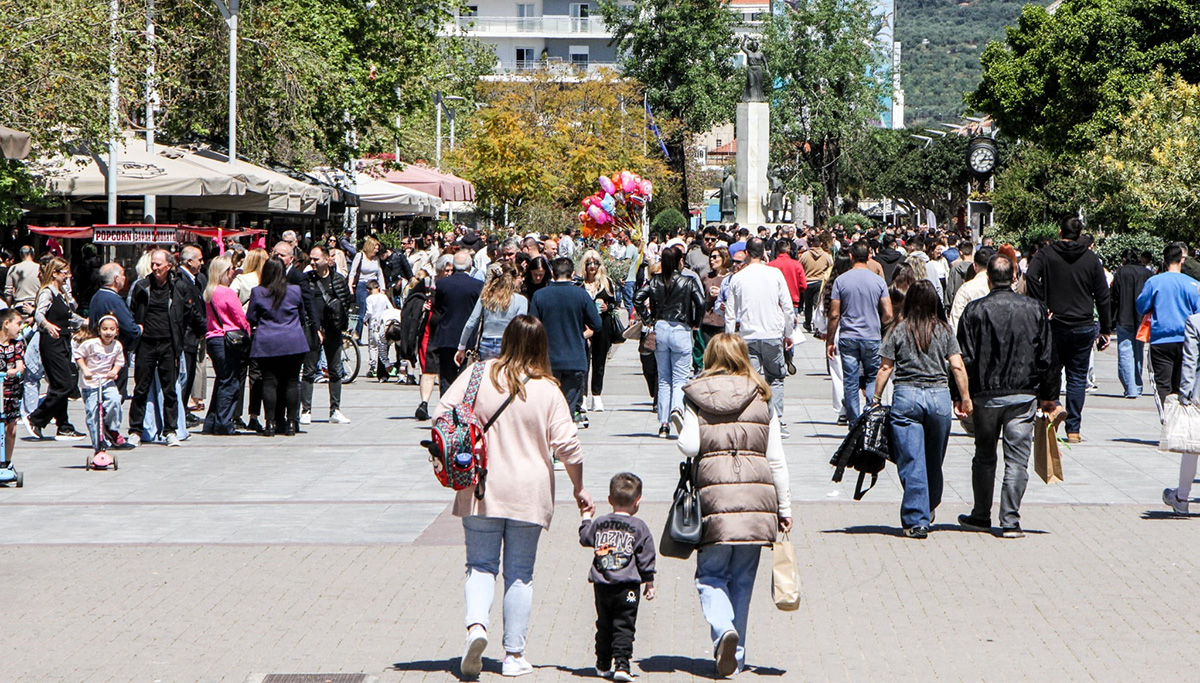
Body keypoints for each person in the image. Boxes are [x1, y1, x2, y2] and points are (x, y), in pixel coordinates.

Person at [441, 316, 594, 679]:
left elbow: (443, 413)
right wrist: (579, 487)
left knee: (480, 565)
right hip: (530, 491)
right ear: (542, 346)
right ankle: (513, 656)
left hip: (481, 486)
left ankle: (476, 629)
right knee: (520, 575)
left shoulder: (479, 375)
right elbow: (569, 447)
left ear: (507, 340)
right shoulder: (548, 389)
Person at [676, 333, 791, 677]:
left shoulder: (695, 396)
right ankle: (736, 659)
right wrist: (784, 508)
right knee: (742, 580)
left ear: (710, 357)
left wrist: (681, 422)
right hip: (757, 499)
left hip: (715, 497)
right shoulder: (763, 396)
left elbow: (690, 446)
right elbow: (777, 459)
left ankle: (723, 628)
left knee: (710, 575)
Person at [956, 255, 1053, 537]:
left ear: (988, 279)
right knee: (1017, 459)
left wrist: (961, 395)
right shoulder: (1034, 309)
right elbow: (1047, 356)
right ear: (1014, 277)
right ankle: (1010, 520)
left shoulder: (974, 311)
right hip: (1022, 394)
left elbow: (965, 358)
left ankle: (980, 514)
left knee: (984, 455)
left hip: (986, 394)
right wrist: (1048, 395)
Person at [873, 280, 973, 538]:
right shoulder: (944, 330)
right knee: (933, 459)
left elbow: (885, 367)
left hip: (906, 397)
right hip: (938, 398)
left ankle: (917, 519)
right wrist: (965, 397)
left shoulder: (898, 329)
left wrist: (875, 397)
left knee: (911, 459)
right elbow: (958, 366)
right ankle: (927, 507)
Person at [1024, 217, 1112, 443]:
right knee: (1077, 377)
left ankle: (1052, 409)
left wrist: (1042, 305)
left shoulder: (1046, 254)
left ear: (1060, 230)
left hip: (1055, 322)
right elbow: (1102, 295)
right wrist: (1106, 329)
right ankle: (1073, 429)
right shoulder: (1091, 259)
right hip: (1083, 323)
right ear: (1080, 233)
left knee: (1050, 370)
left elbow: (1031, 276)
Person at [578, 472, 656, 682]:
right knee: (624, 623)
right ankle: (622, 664)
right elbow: (646, 557)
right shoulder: (640, 527)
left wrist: (586, 516)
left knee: (604, 622)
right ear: (637, 502)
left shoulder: (600, 523)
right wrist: (649, 582)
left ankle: (602, 663)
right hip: (628, 587)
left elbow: (585, 538)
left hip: (602, 585)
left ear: (610, 500)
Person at [128, 249, 200, 447]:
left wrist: (190, 332)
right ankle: (135, 430)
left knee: (170, 390)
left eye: (159, 264)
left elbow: (188, 313)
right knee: (141, 388)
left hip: (169, 344)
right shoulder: (142, 286)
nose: (154, 268)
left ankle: (170, 430)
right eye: (153, 264)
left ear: (169, 266)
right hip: (147, 344)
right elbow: (132, 311)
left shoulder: (179, 287)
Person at [726, 239, 795, 437]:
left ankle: (753, 419)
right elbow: (788, 308)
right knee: (776, 378)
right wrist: (788, 333)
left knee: (751, 380)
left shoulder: (738, 278)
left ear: (747, 253)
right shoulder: (774, 274)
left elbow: (731, 313)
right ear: (764, 251)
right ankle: (776, 419)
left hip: (748, 335)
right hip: (772, 333)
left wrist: (730, 338)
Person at [633, 246, 705, 438]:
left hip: (661, 327)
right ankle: (677, 410)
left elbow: (638, 298)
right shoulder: (688, 281)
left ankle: (663, 424)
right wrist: (696, 323)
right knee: (680, 376)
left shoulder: (655, 281)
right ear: (680, 262)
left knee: (663, 378)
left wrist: (648, 319)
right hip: (681, 328)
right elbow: (701, 302)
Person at [529, 257, 602, 428]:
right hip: (574, 358)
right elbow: (597, 324)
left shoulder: (540, 295)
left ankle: (549, 445)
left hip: (547, 360)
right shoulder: (581, 295)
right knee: (567, 407)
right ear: (573, 274)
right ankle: (563, 445)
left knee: (549, 407)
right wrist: (580, 333)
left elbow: (532, 326)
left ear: (552, 273)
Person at [826, 241, 893, 425]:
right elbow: (888, 313)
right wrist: (881, 327)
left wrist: (829, 341)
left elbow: (834, 314)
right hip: (872, 336)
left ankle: (854, 422)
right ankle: (871, 416)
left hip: (848, 336)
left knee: (850, 380)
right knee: (872, 377)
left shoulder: (841, 280)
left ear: (851, 256)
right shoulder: (878, 281)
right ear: (869, 256)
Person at [246, 257, 310, 437]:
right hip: (293, 341)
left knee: (269, 382)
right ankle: (291, 423)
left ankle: (270, 424)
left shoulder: (258, 292)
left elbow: (251, 317)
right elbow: (302, 315)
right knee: (291, 382)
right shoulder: (295, 290)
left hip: (268, 342)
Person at [25, 258, 86, 441]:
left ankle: (64, 425)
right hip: (51, 343)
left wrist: (85, 323)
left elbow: (69, 314)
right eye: (65, 273)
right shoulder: (47, 292)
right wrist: (47, 325)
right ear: (55, 273)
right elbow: (38, 314)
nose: (68, 276)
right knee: (65, 384)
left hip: (64, 341)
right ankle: (36, 418)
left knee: (60, 384)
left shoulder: (61, 292)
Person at [1136, 243, 1200, 408]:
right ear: (1182, 261)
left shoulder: (1154, 282)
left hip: (1161, 340)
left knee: (1162, 386)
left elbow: (1141, 307)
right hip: (1188, 340)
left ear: (1164, 261)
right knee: (1183, 385)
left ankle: (1167, 420)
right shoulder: (1193, 284)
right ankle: (1180, 420)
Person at [300, 245, 354, 425]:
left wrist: (342, 325)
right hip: (313, 329)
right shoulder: (306, 280)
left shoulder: (338, 280)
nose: (313, 263)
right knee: (308, 370)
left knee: (335, 370)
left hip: (333, 330)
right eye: (311, 259)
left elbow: (346, 302)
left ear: (327, 259)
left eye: (316, 259)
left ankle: (335, 410)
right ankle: (306, 410)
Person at [202, 255, 251, 435]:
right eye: (230, 269)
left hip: (213, 338)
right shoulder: (227, 292)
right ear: (223, 272)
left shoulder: (209, 291)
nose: (233, 272)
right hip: (228, 340)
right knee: (231, 382)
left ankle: (212, 421)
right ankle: (224, 422)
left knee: (222, 380)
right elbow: (240, 317)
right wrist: (248, 333)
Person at [431, 251, 485, 395]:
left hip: (447, 335)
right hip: (469, 338)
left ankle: (446, 409)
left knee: (446, 378)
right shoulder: (478, 286)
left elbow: (438, 306)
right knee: (466, 377)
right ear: (470, 266)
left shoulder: (442, 284)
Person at [73, 316, 125, 460]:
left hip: (106, 382)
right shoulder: (91, 344)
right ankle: (98, 446)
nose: (108, 332)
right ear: (99, 330)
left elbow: (119, 361)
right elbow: (78, 356)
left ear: (117, 331)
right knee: (93, 414)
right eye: (105, 329)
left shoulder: (117, 346)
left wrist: (114, 371)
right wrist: (85, 370)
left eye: (112, 329)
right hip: (90, 383)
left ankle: (110, 428)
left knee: (115, 400)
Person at [456, 261, 527, 365]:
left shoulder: (486, 296)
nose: (522, 280)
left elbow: (471, 322)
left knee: (486, 376)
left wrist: (461, 347)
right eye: (519, 277)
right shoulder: (521, 300)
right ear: (513, 279)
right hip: (507, 343)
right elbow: (520, 327)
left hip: (486, 343)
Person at [1165, 308, 1200, 515]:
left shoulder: (1195, 321)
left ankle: (1182, 498)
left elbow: (1190, 359)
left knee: (1192, 445)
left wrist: (1185, 393)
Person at [88, 262, 141, 397]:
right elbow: (130, 327)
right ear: (116, 279)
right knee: (114, 395)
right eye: (123, 275)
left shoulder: (97, 296)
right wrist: (139, 329)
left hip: (100, 354)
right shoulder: (112, 299)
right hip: (113, 353)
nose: (125, 278)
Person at [578, 251, 617, 413]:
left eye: (595, 263)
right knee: (583, 363)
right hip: (584, 326)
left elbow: (615, 303)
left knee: (599, 362)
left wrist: (608, 307)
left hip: (602, 325)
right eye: (589, 263)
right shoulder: (579, 284)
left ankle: (596, 396)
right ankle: (583, 397)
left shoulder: (606, 283)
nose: (592, 267)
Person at [1111, 248, 1152, 399]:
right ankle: (1138, 384)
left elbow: (1115, 295)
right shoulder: (1146, 273)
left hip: (1124, 315)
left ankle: (1130, 387)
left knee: (1125, 350)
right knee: (1138, 351)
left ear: (1124, 259)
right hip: (1141, 317)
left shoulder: (1121, 272)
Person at [349, 236, 386, 341]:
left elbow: (380, 274)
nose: (377, 250)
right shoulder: (360, 256)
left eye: (377, 249)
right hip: (362, 285)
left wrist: (382, 289)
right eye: (375, 248)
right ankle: (357, 336)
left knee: (375, 312)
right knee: (362, 312)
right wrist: (350, 286)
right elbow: (353, 272)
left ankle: (375, 336)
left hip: (374, 285)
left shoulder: (376, 259)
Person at [0, 309, 23, 468]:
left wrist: (16, 371)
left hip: (11, 393)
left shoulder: (17, 345)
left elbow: (21, 365)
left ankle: (6, 462)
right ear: (6, 324)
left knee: (11, 429)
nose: (20, 328)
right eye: (18, 323)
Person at [700, 248, 732, 343]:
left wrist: (721, 293)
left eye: (715, 257)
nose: (711, 260)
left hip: (724, 323)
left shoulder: (732, 278)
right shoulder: (706, 277)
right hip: (708, 323)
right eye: (710, 258)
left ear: (724, 258)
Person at [5, 246, 40, 313]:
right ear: (33, 254)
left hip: (19, 305)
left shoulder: (13, 268)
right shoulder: (39, 268)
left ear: (20, 255)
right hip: (36, 305)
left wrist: (9, 308)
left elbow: (8, 292)